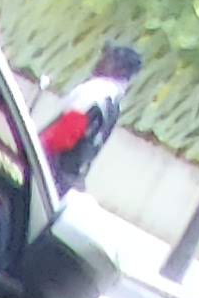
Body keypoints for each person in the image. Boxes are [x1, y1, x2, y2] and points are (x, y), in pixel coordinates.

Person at [36, 38, 141, 197]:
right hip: (69, 178)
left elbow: (63, 136)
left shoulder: (95, 92)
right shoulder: (114, 102)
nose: (101, 60)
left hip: (51, 172)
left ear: (120, 69)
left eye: (108, 57)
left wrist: (34, 153)